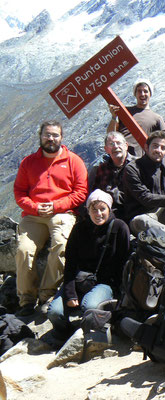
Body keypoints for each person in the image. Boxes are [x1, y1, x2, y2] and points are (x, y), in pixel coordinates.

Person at [13, 120, 88, 317]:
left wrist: (56, 206)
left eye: (55, 135)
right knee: (23, 249)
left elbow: (81, 193)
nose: (51, 138)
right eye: (47, 134)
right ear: (41, 136)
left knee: (62, 244)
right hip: (34, 215)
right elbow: (19, 192)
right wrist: (35, 207)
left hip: (62, 213)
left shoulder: (74, 161)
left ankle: (47, 294)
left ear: (61, 137)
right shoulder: (28, 162)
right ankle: (26, 300)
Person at [47, 189, 130, 338]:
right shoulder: (79, 229)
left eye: (102, 209)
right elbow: (70, 263)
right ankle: (65, 335)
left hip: (104, 283)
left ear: (109, 209)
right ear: (88, 210)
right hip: (80, 280)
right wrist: (70, 293)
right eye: (94, 209)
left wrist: (120, 292)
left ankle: (94, 331)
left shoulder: (120, 227)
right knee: (54, 312)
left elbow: (124, 262)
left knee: (90, 307)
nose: (98, 214)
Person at [107, 78, 165, 157]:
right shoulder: (124, 111)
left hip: (139, 161)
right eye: (139, 91)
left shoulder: (157, 118)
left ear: (150, 94)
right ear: (135, 94)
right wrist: (114, 118)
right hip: (120, 156)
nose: (142, 94)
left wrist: (154, 148)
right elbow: (110, 134)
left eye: (145, 91)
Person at [88, 131, 134, 219]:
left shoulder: (137, 165)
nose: (115, 146)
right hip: (107, 215)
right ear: (106, 149)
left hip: (133, 212)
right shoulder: (101, 169)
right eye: (111, 144)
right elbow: (95, 194)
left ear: (126, 145)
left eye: (118, 143)